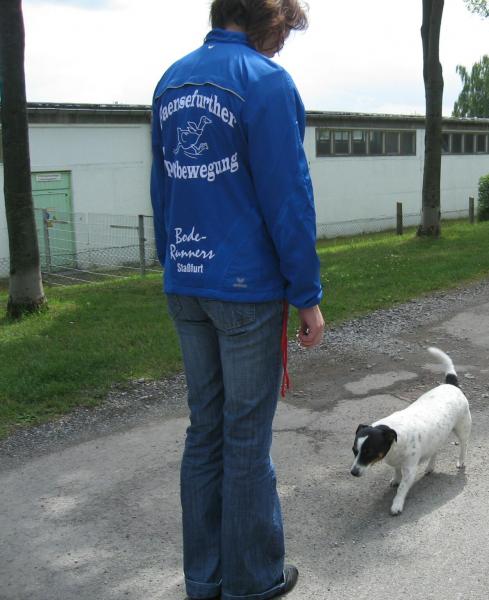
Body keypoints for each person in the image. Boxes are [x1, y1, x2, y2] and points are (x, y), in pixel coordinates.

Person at [149, 1, 323, 598]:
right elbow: (288, 197)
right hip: (245, 288)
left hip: (186, 279)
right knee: (246, 437)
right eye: (284, 30)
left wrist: (173, 263)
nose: (282, 43)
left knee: (205, 431)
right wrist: (307, 295)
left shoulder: (170, 82)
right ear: (267, 19)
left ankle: (205, 579)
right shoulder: (267, 82)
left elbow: (162, 184)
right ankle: (252, 581)